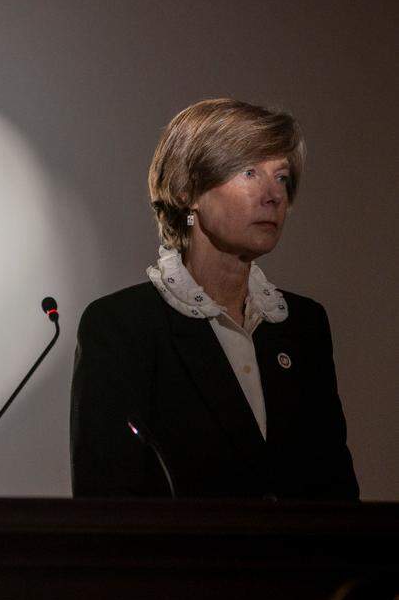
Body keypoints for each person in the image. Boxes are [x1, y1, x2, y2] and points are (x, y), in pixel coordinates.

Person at [70, 98, 359, 499]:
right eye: (249, 172)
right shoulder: (121, 327)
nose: (274, 195)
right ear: (189, 190)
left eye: (282, 177)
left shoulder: (302, 324)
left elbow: (336, 493)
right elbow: (107, 505)